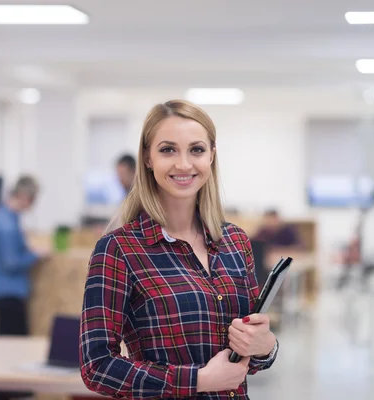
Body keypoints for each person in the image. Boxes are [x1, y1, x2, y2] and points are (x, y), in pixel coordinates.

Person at [79, 100, 279, 399]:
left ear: (211, 155)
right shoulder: (118, 249)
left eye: (196, 150)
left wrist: (265, 346)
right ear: (147, 158)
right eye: (168, 149)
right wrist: (196, 380)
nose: (184, 164)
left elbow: (247, 359)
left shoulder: (235, 242)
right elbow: (96, 367)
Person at [0, 175, 48, 336]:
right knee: (12, 347)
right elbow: (10, 263)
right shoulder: (7, 225)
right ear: (24, 196)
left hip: (10, 293)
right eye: (33, 199)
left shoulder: (9, 219)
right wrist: (35, 255)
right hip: (9, 294)